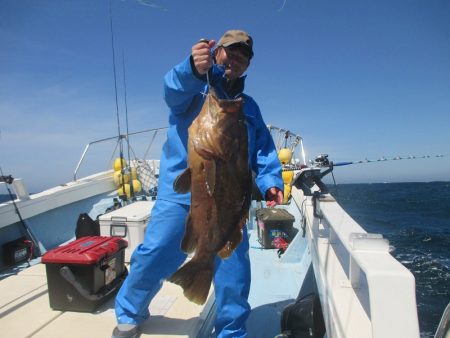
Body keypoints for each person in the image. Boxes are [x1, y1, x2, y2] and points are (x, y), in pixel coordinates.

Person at [112, 29, 284, 338]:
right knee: (156, 251)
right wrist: (193, 68)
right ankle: (129, 312)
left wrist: (270, 180)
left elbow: (262, 148)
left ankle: (231, 331)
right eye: (231, 51)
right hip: (181, 193)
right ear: (217, 51)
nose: (237, 59)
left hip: (231, 198)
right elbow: (172, 90)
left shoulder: (250, 107)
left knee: (234, 269)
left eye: (244, 55)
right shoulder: (194, 90)